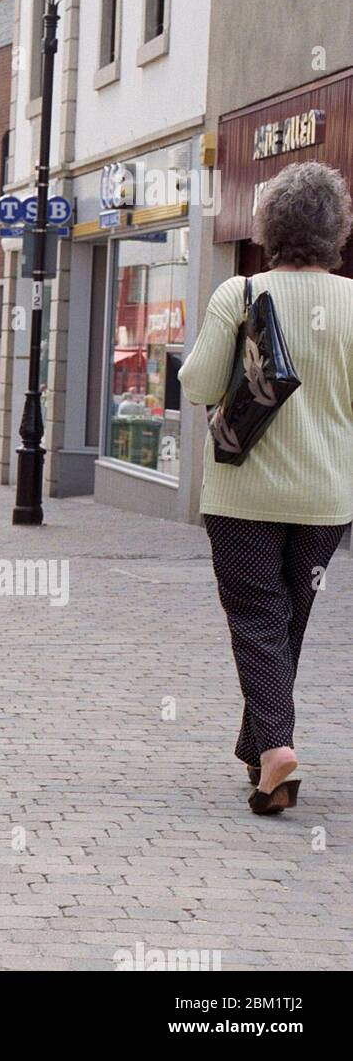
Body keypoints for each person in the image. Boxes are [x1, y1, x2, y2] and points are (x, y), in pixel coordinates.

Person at [179, 162, 353, 815]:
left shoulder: (241, 293)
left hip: (243, 492)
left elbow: (197, 386)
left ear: (268, 226)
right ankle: (261, 752)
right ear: (337, 231)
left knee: (257, 621)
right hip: (326, 497)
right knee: (287, 622)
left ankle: (277, 752)